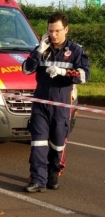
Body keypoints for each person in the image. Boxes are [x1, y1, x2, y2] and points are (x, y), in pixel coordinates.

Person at [22, 12, 90, 193]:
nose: (53, 35)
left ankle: (54, 172)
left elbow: (84, 76)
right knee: (38, 142)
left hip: (61, 104)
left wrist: (63, 72)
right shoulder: (43, 48)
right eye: (50, 30)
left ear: (66, 29)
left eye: (57, 30)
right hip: (41, 103)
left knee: (58, 143)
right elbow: (26, 69)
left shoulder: (75, 51)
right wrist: (39, 51)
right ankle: (37, 179)